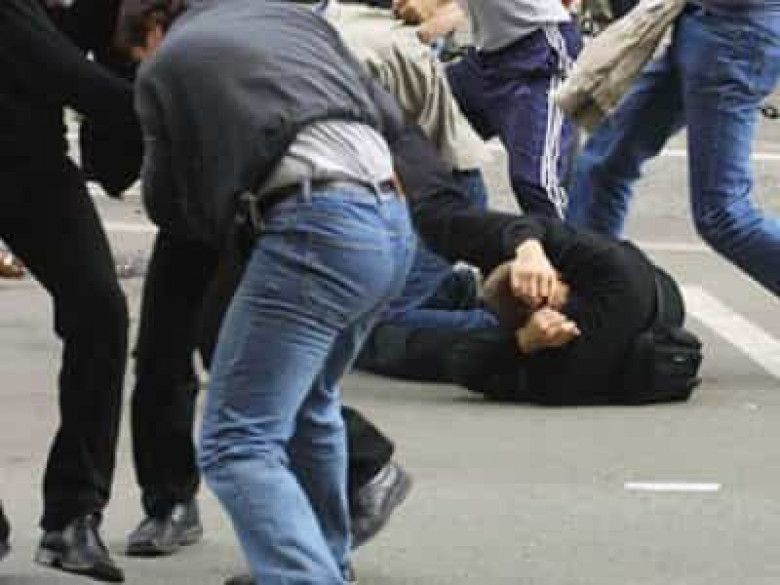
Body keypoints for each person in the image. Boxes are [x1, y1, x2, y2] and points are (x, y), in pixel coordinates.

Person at [119, 2, 414, 584]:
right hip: (391, 216)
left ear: (153, 26)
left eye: (135, 55)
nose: (140, 67)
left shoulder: (166, 63)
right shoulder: (293, 18)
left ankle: (306, 575)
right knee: (311, 405)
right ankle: (325, 560)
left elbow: (167, 202)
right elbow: (390, 115)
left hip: (315, 221)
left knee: (236, 442)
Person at [0, 1, 134, 581]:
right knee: (99, 312)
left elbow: (72, 41)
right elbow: (62, 69)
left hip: (33, 164)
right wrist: (164, 107)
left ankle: (74, 516)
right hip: (31, 159)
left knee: (100, 312)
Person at [566, 2, 780, 297]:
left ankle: (592, 295)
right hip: (700, 21)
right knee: (602, 165)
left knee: (724, 215)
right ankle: (592, 295)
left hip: (735, 35)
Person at [396, 0, 582, 217]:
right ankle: (468, 227)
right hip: (486, 60)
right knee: (423, 132)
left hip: (539, 57)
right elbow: (448, 13)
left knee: (535, 183)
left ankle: (572, 238)